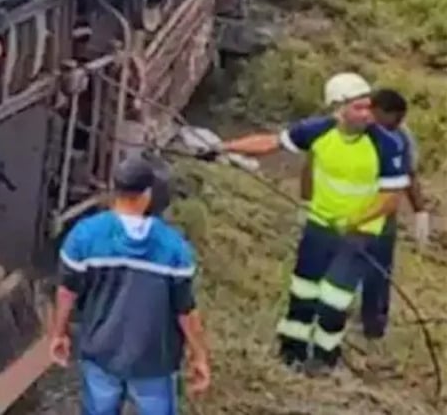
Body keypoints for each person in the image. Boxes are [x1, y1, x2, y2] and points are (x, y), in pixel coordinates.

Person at [206, 72, 408, 373]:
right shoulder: (317, 131)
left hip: (359, 234)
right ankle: (292, 351)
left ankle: (325, 359)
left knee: (334, 299)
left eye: (368, 106)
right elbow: (271, 142)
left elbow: (391, 198)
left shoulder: (387, 145)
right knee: (303, 291)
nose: (367, 114)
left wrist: (355, 220)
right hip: (319, 226)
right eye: (358, 107)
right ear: (338, 108)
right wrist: (223, 147)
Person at [47, 154, 211, 415]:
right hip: (154, 361)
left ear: (115, 189)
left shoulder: (84, 236)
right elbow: (185, 311)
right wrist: (199, 355)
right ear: (148, 193)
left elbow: (67, 291)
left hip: (101, 354)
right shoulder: (173, 248)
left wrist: (58, 332)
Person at [358, 89, 430, 339]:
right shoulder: (353, 128)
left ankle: (374, 325)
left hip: (382, 208)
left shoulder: (401, 136)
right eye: (395, 118)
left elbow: (408, 174)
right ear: (378, 111)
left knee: (378, 269)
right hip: (350, 204)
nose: (398, 124)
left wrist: (420, 210)